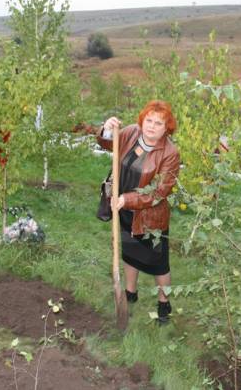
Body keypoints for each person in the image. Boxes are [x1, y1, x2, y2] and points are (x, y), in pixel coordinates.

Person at [97, 100, 181, 324]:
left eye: (158, 123)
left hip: (150, 218)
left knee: (158, 264)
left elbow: (159, 192)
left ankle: (164, 304)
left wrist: (127, 199)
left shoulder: (170, 153)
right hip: (124, 210)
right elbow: (107, 143)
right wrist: (107, 129)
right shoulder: (131, 133)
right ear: (142, 120)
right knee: (130, 253)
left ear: (167, 128)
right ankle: (130, 292)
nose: (151, 126)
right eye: (149, 120)